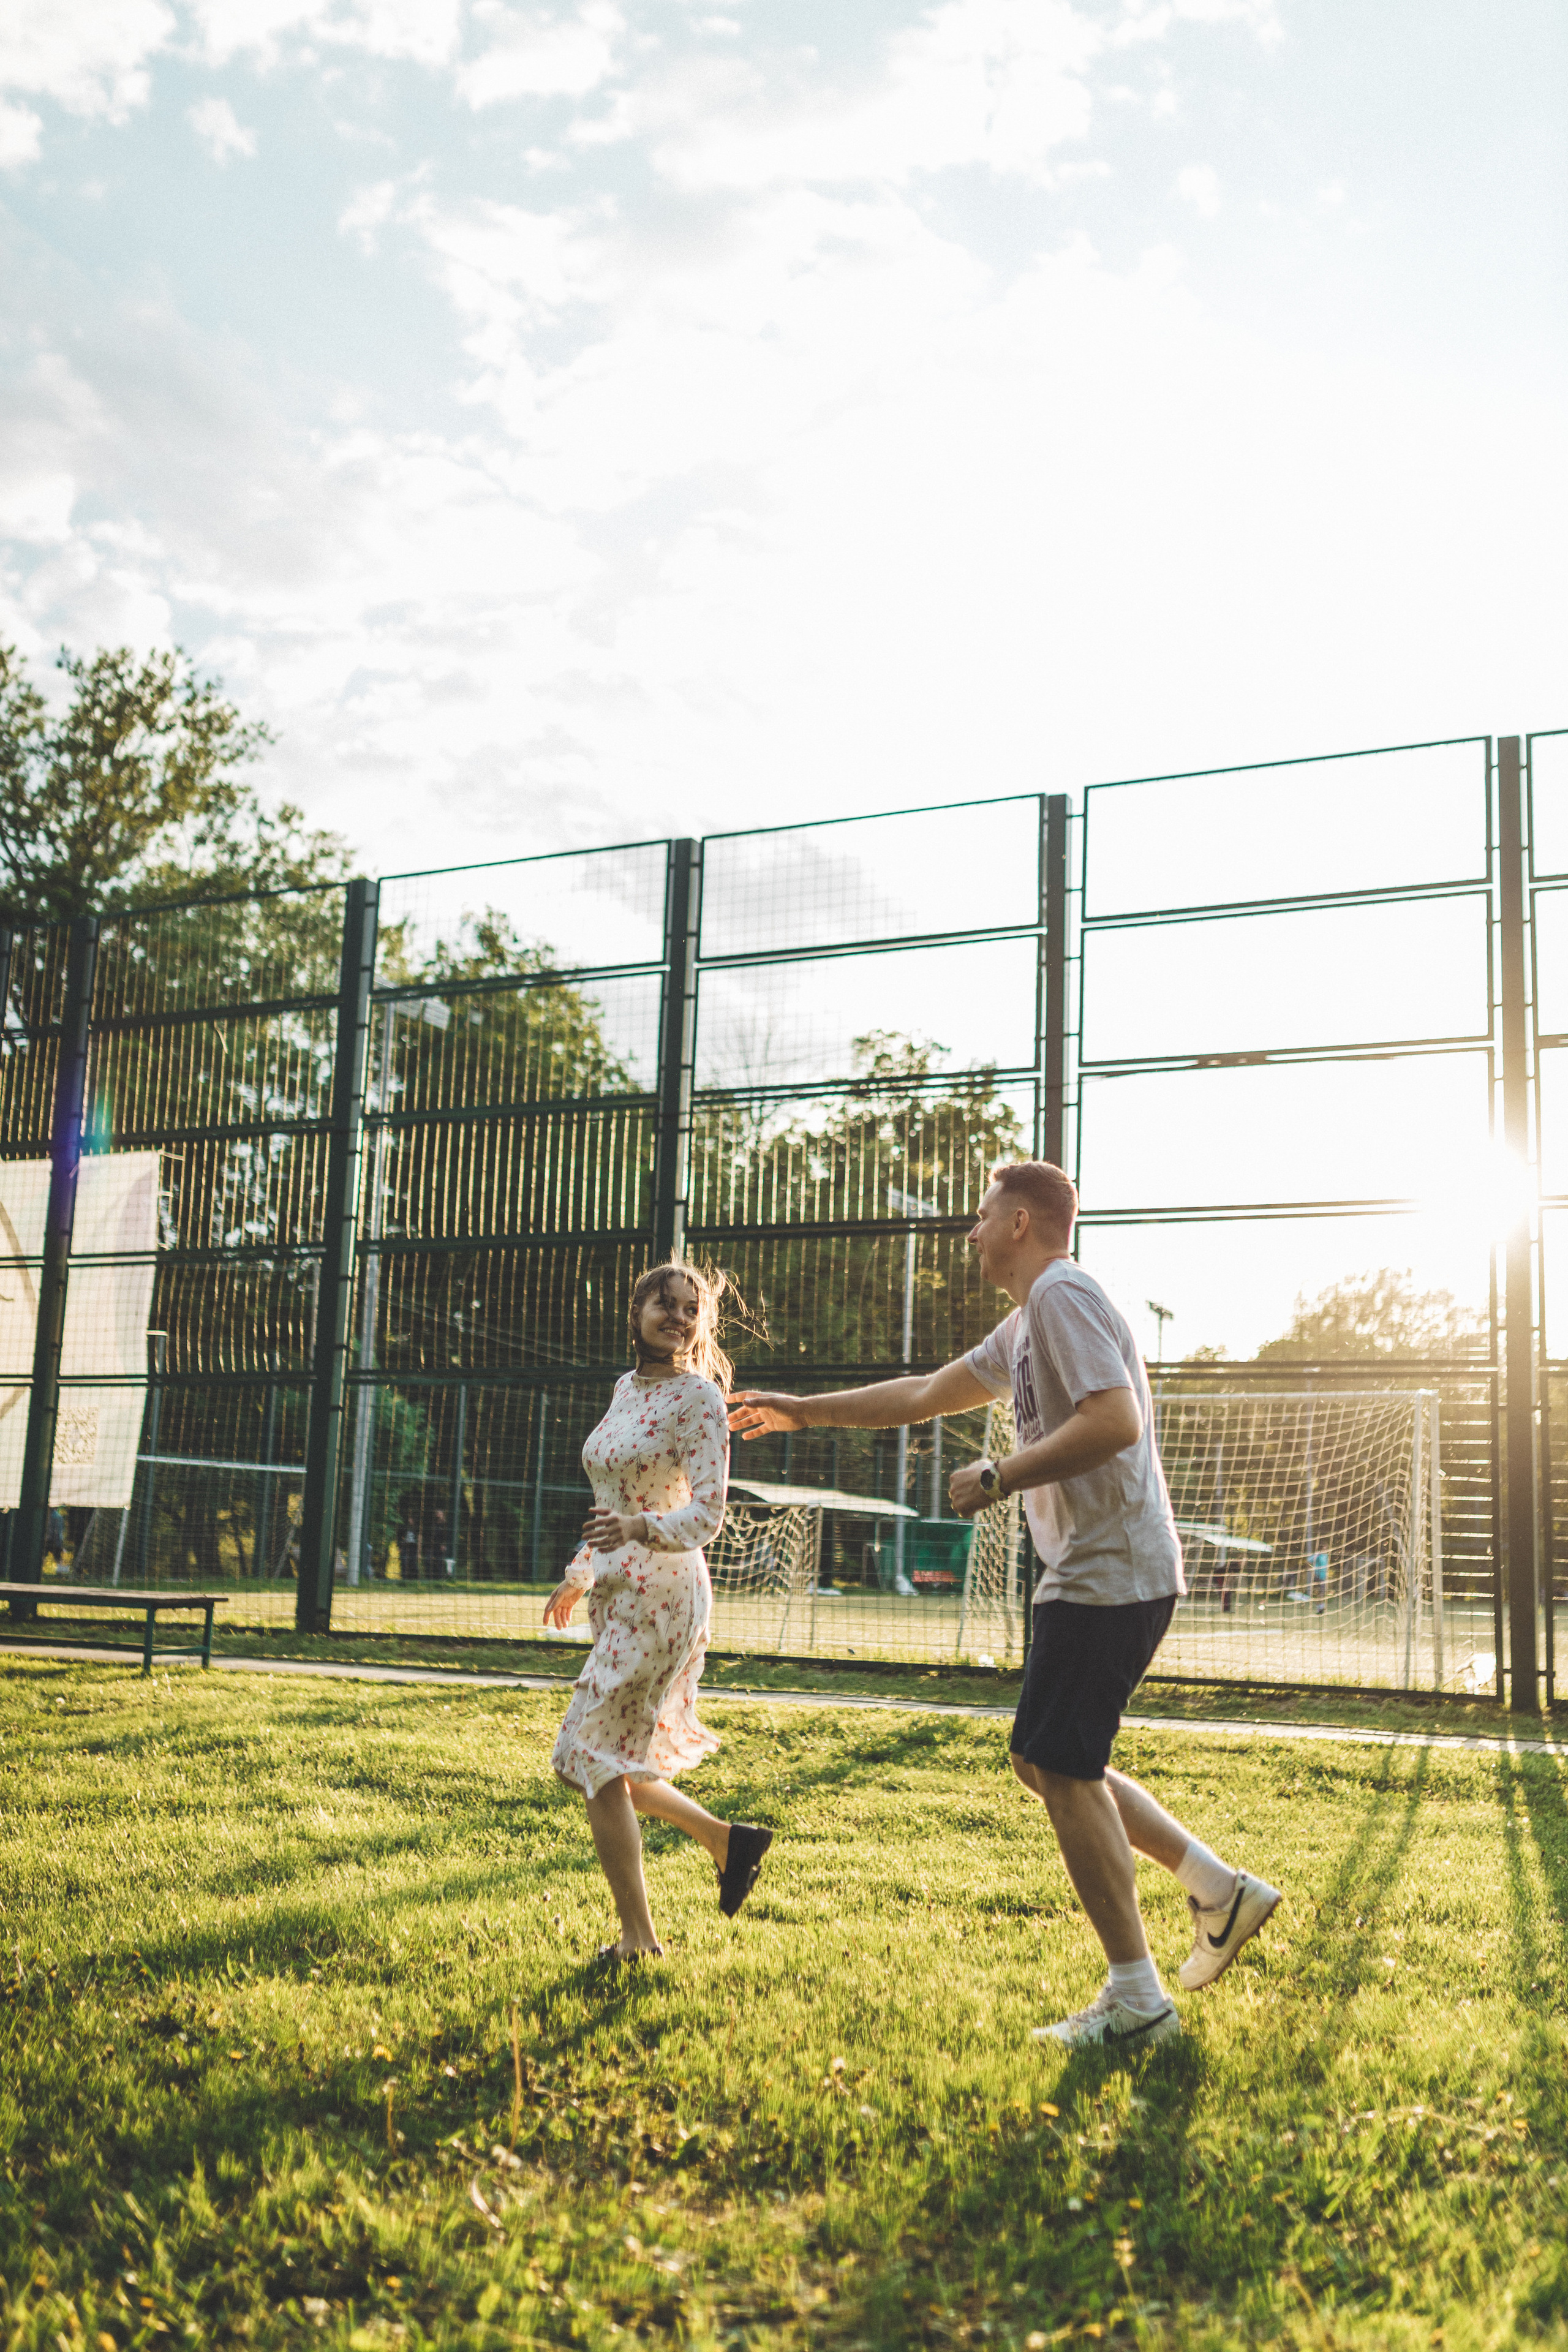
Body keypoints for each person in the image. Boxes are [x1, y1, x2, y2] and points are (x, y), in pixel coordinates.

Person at [729, 1160, 1280, 2049]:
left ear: (1021, 1222)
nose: (972, 1233)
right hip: (1095, 1573)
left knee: (1061, 1768)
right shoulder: (1025, 1325)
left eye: (981, 1217)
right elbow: (918, 1395)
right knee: (1046, 1761)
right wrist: (802, 1410)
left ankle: (1138, 2001)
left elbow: (1115, 1420)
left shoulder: (1062, 1294)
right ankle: (1218, 1889)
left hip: (1112, 1572)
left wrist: (998, 1474)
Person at [545, 1260, 773, 1960]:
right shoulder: (625, 1390)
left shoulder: (698, 1399)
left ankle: (638, 1940)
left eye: (690, 1310)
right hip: (617, 1592)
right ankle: (726, 1841)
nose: (678, 1318)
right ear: (637, 1308)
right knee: (595, 1760)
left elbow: (708, 1514)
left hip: (665, 1594)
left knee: (588, 1756)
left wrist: (642, 1530)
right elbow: (614, 1497)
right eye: (664, 1304)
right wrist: (581, 1571)